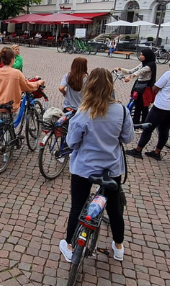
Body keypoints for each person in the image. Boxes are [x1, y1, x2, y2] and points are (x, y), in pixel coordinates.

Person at [59, 68, 134, 264]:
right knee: (115, 209)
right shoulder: (122, 111)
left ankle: (69, 245)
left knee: (77, 206)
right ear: (111, 86)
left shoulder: (83, 113)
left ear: (89, 85)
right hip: (111, 168)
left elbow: (72, 142)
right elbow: (128, 138)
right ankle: (118, 247)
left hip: (84, 168)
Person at [126, 56, 170, 160]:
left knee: (148, 127)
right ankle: (157, 152)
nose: (169, 63)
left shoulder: (169, 74)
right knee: (164, 129)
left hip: (162, 106)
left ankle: (138, 150)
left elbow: (155, 87)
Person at [0, 49, 44, 115]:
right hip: (9, 108)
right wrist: (38, 83)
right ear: (12, 59)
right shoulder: (17, 73)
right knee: (10, 124)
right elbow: (27, 86)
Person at [116, 48, 156, 125]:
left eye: (142, 55)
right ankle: (135, 123)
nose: (140, 56)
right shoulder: (142, 63)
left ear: (147, 56)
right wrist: (120, 69)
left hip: (145, 88)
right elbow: (132, 70)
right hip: (139, 86)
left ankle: (143, 124)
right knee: (137, 105)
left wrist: (130, 77)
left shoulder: (150, 65)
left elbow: (139, 72)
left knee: (143, 107)